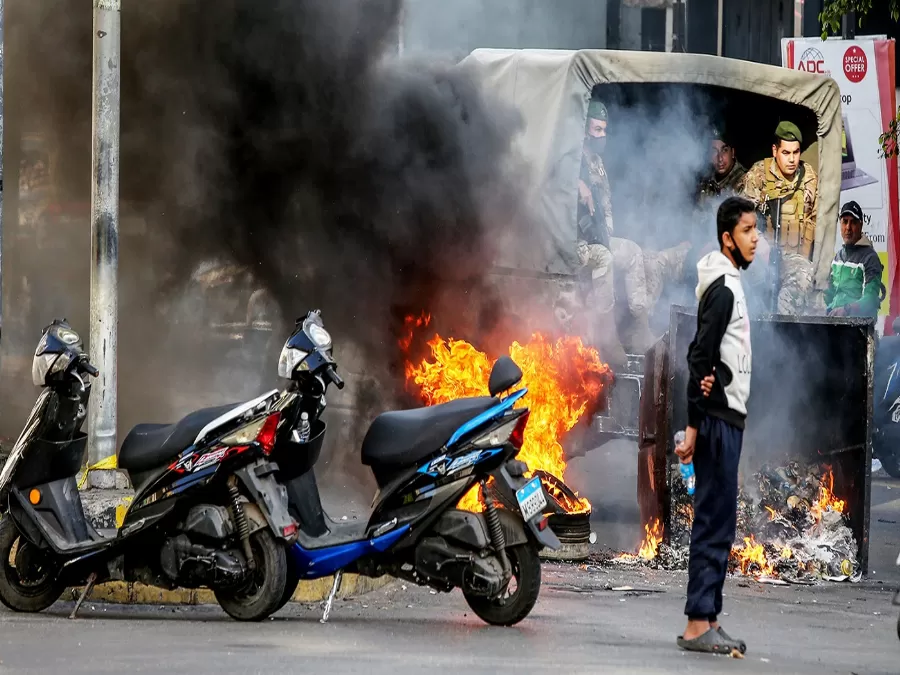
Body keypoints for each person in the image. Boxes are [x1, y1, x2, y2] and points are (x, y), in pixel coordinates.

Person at [675, 196, 757, 657]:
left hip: (727, 417)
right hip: (717, 420)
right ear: (728, 238)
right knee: (712, 520)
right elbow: (698, 355)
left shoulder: (731, 284)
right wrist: (692, 426)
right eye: (747, 231)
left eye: (755, 230)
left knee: (722, 522)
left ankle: (709, 618)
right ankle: (695, 623)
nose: (755, 238)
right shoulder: (723, 288)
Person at [740, 121, 818, 315]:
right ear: (775, 150)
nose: (792, 159)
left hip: (794, 262)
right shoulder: (759, 175)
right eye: (786, 153)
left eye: (796, 152)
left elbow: (819, 221)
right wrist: (760, 245)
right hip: (761, 258)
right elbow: (739, 217)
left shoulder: (809, 178)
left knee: (803, 276)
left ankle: (783, 334)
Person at [825, 200, 885, 318]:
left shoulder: (869, 258)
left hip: (858, 328)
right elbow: (829, 294)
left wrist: (847, 309)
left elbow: (871, 300)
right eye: (845, 222)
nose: (848, 228)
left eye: (853, 223)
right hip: (834, 325)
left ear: (861, 225)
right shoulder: (838, 257)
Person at [696, 127, 747, 205]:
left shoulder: (746, 181)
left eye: (724, 150)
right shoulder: (705, 182)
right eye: (714, 151)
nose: (720, 158)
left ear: (732, 153)